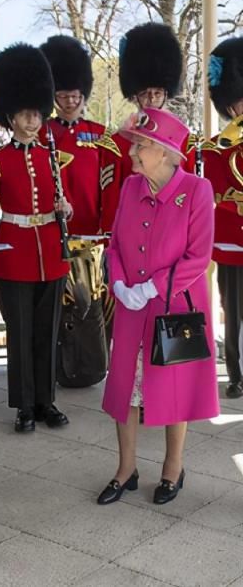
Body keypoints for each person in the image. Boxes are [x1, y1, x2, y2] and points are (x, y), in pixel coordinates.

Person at [98, 108, 218, 506]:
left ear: (166, 152)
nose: (132, 152)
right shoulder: (131, 187)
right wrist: (117, 281)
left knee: (174, 389)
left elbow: (198, 258)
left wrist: (151, 287)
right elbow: (114, 245)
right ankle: (125, 469)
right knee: (124, 389)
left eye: (141, 145)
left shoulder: (198, 190)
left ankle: (173, 467)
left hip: (174, 308)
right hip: (132, 308)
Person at [0, 44, 72, 433]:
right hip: (14, 250)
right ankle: (24, 405)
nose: (33, 121)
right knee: (20, 333)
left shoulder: (54, 157)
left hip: (51, 248)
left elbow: (66, 201)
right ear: (11, 116)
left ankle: (46, 400)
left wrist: (67, 208)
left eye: (37, 113)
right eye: (26, 114)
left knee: (47, 332)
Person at [38, 35, 119, 387]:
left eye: (75, 96)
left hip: (92, 237)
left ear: (83, 96)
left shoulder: (100, 136)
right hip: (54, 236)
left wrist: (107, 230)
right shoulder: (42, 134)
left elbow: (110, 186)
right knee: (61, 308)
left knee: (96, 308)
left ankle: (93, 363)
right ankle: (61, 363)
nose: (70, 101)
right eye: (63, 95)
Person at [105, 23, 194, 230]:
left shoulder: (185, 141)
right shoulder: (117, 143)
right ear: (135, 96)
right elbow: (111, 203)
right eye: (145, 93)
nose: (152, 99)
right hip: (131, 233)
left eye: (158, 92)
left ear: (166, 93)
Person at [202, 37, 243, 400]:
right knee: (233, 308)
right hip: (232, 237)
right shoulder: (215, 147)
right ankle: (236, 372)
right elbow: (213, 193)